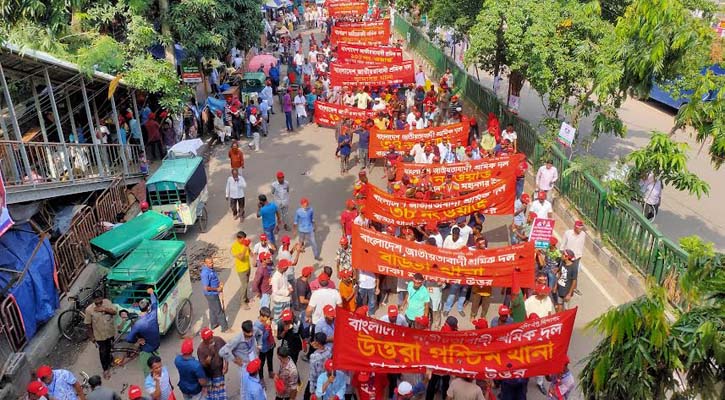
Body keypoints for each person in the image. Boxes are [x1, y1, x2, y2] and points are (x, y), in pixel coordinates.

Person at [219, 320, 258, 398]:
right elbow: (222, 352)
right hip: (244, 366)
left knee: (255, 383)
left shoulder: (254, 330)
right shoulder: (236, 339)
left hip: (253, 361)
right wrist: (234, 359)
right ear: (243, 331)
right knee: (244, 388)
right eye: (248, 334)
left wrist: (259, 346)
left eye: (252, 333)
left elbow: (259, 334)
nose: (251, 335)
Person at [126, 288, 161, 375]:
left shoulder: (138, 324)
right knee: (157, 370)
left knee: (148, 373)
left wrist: (137, 341)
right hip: (155, 347)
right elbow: (154, 302)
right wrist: (152, 293)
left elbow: (129, 338)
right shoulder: (153, 314)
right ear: (148, 307)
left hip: (146, 350)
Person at [84, 292, 117, 380]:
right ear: (93, 300)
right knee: (102, 352)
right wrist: (92, 337)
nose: (98, 302)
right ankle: (105, 369)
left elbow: (114, 312)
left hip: (110, 332)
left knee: (110, 347)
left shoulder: (107, 302)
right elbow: (88, 325)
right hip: (99, 336)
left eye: (100, 300)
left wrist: (104, 309)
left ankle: (110, 359)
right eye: (96, 301)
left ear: (102, 298)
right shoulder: (89, 310)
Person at [197, 327, 227, 400]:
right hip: (209, 376)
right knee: (212, 396)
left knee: (221, 396)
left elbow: (226, 351)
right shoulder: (201, 349)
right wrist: (211, 354)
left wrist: (226, 365)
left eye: (211, 336)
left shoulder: (219, 340)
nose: (211, 338)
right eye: (209, 338)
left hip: (219, 374)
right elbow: (204, 365)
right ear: (204, 339)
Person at [200, 257, 229, 332]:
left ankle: (214, 324)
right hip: (211, 294)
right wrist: (217, 289)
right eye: (209, 263)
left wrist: (219, 283)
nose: (212, 264)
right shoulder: (205, 273)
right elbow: (206, 287)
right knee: (219, 310)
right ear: (205, 264)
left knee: (212, 309)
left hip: (214, 292)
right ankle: (225, 328)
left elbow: (214, 279)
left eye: (212, 262)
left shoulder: (211, 269)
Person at [305, 333, 332, 400]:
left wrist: (312, 392)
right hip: (326, 380)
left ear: (317, 342)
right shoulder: (329, 350)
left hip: (316, 383)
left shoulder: (314, 357)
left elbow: (312, 375)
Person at [253, 307, 276, 380]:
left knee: (270, 359)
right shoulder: (257, 326)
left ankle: (270, 372)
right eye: (267, 317)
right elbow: (262, 338)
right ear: (262, 316)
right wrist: (268, 327)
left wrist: (273, 342)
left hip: (270, 346)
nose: (269, 319)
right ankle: (261, 378)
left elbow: (270, 334)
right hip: (263, 349)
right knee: (261, 365)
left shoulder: (266, 322)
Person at [231, 232, 252, 310]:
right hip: (241, 269)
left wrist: (253, 257)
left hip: (247, 267)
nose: (244, 240)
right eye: (242, 239)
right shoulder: (234, 247)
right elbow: (241, 258)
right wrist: (245, 247)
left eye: (245, 239)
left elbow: (249, 251)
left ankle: (246, 298)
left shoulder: (245, 243)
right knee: (244, 285)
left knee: (246, 284)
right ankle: (242, 302)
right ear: (238, 238)